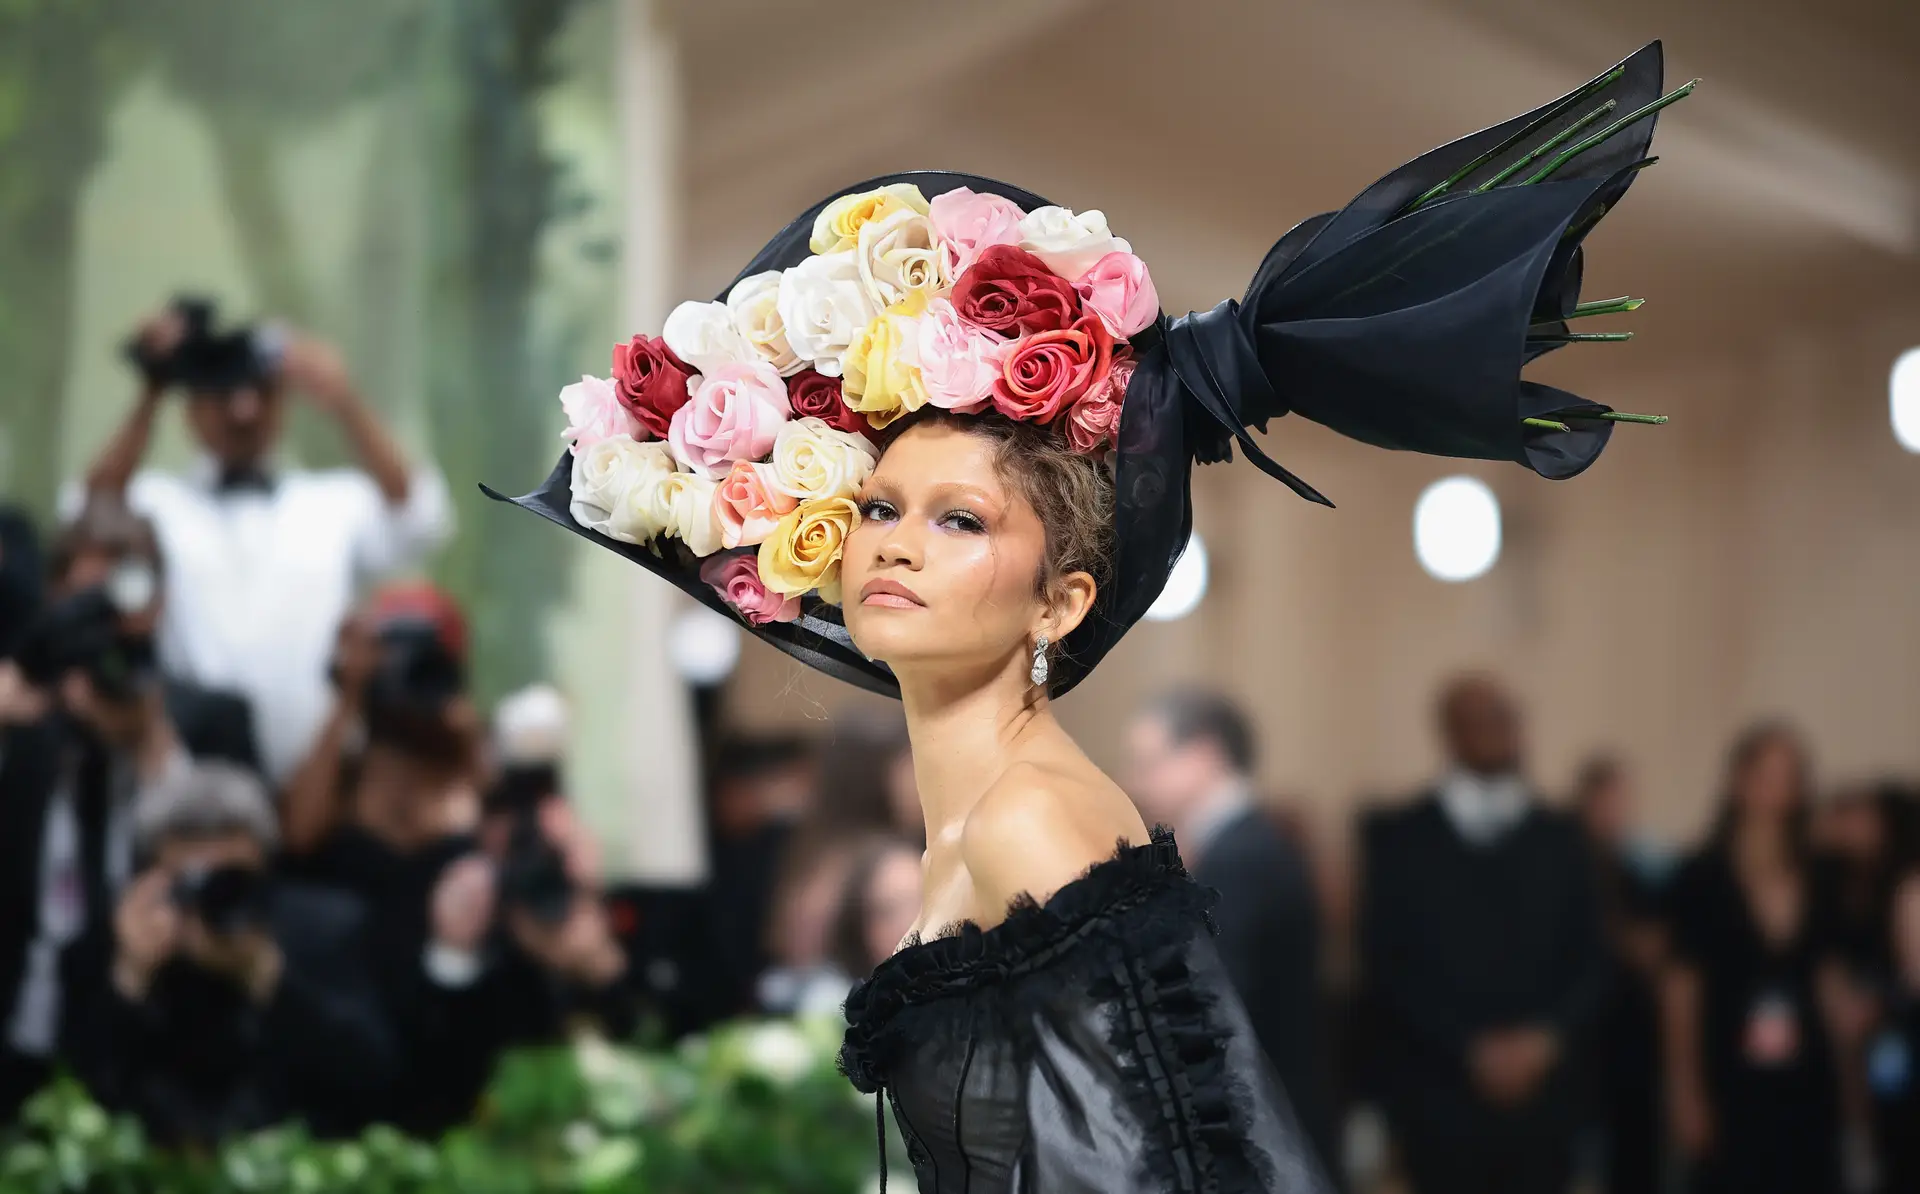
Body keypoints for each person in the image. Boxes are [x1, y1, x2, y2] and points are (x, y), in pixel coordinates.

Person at [495, 42, 1684, 1193]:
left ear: (1060, 600)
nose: (896, 540)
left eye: (960, 522)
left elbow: (1180, 1167)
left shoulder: (1029, 820)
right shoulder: (980, 816)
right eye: (879, 506)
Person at [78, 300, 453, 780]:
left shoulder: (328, 502)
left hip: (319, 784)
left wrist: (344, 400)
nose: (244, 411)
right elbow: (87, 515)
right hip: (190, 783)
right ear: (189, 409)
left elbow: (419, 517)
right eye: (222, 393)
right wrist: (153, 388)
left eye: (261, 391)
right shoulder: (158, 503)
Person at [0, 504, 258, 1121]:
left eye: (122, 594)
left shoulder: (210, 718)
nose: (103, 621)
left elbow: (237, 858)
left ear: (159, 602)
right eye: (82, 601)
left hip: (163, 1044)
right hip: (20, 1034)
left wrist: (150, 741)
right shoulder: (27, 713)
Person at [1359, 677, 1606, 1194]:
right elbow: (1388, 965)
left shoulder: (1562, 837)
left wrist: (1545, 1040)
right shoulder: (1401, 839)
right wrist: (1469, 1050)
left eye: (1505, 716)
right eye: (1482, 719)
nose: (1499, 731)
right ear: (1450, 732)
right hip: (1442, 1100)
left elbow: (1593, 957)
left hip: (1545, 1105)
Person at [70, 762, 395, 1145]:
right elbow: (83, 1095)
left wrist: (268, 978)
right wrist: (131, 976)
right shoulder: (121, 936)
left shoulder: (329, 930)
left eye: (231, 878)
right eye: (194, 880)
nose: (214, 895)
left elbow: (373, 1079)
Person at [1129, 689, 1337, 1181]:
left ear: (1202, 755)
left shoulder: (1240, 856)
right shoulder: (1243, 843)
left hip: (1265, 1115)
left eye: (1146, 762)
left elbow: (1217, 996)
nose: (1134, 782)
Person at [1660, 723, 1841, 1194]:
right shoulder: (1701, 874)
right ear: (1737, 781)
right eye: (1765, 775)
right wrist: (1685, 1090)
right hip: (1727, 1063)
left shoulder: (1820, 871)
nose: (1775, 790)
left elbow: (1827, 978)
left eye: (1788, 777)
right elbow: (1682, 989)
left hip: (1805, 1069)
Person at [1571, 755, 1670, 1194]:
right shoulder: (1566, 869)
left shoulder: (1644, 866)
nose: (1614, 811)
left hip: (1635, 1031)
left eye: (1621, 800)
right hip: (1584, 1035)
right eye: (1605, 800)